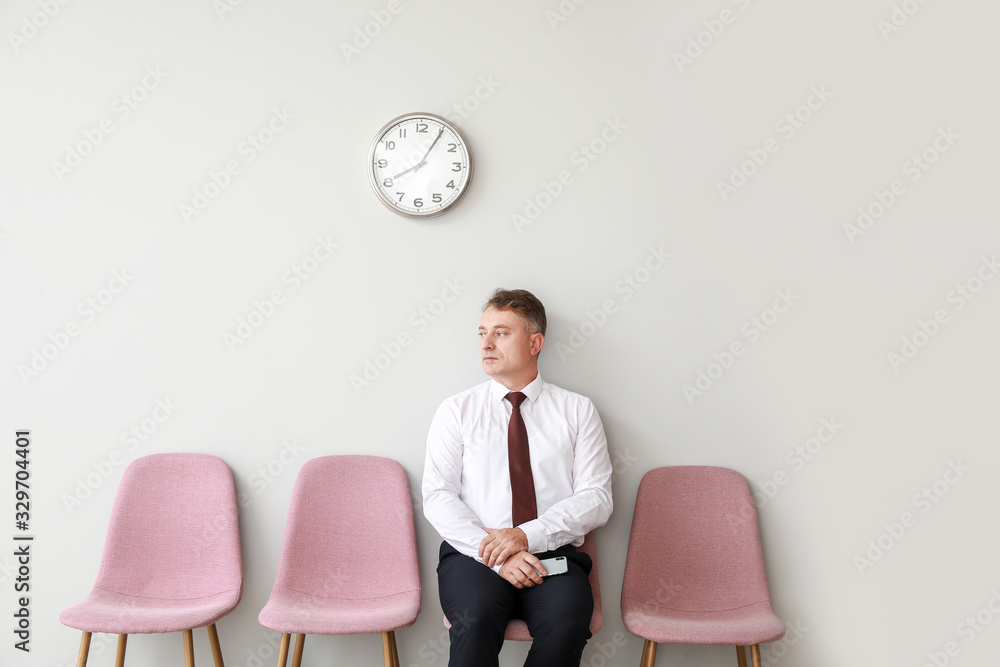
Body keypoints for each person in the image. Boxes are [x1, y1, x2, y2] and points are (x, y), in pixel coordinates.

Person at [422, 288, 613, 667]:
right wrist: (498, 555)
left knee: (567, 623)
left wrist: (527, 536)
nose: (486, 344)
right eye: (481, 333)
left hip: (553, 554)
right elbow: (438, 497)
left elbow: (597, 497)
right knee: (474, 619)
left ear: (534, 342)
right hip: (474, 554)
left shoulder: (577, 410)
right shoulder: (456, 411)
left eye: (501, 333)